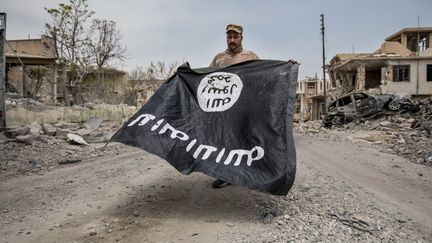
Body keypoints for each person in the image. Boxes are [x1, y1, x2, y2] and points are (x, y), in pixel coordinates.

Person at [210, 24, 259, 188]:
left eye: (235, 36)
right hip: (224, 109)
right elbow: (206, 78)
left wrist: (285, 67)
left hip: (244, 106)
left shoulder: (251, 56)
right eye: (229, 36)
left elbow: (265, 74)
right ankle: (226, 174)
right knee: (224, 140)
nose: (232, 40)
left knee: (244, 140)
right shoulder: (219, 58)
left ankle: (246, 173)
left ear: (241, 38)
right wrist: (185, 73)